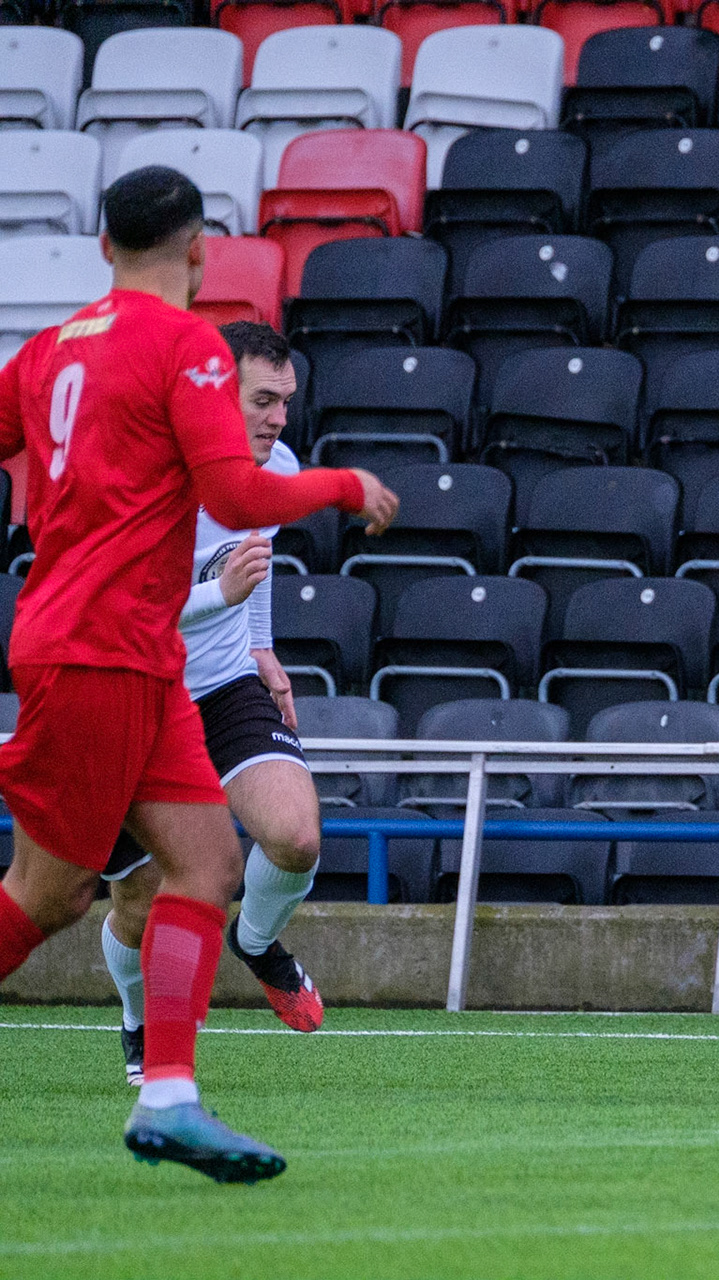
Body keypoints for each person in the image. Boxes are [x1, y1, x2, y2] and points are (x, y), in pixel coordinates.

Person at [0, 166, 398, 1183]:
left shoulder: (46, 351)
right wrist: (343, 482)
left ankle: (168, 1096)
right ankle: (164, 1081)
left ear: (103, 250)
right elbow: (234, 486)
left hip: (138, 654)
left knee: (209, 865)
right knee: (49, 895)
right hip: (98, 646)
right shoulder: (187, 345)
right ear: (198, 252)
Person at [102, 320, 330, 1091]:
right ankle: (137, 1024)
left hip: (224, 684)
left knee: (296, 836)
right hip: (133, 691)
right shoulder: (144, 477)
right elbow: (116, 613)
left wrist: (259, 643)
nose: (278, 419)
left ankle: (258, 944)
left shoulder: (277, 463)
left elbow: (254, 561)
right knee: (138, 899)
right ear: (212, 398)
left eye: (285, 403)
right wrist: (216, 596)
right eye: (263, 401)